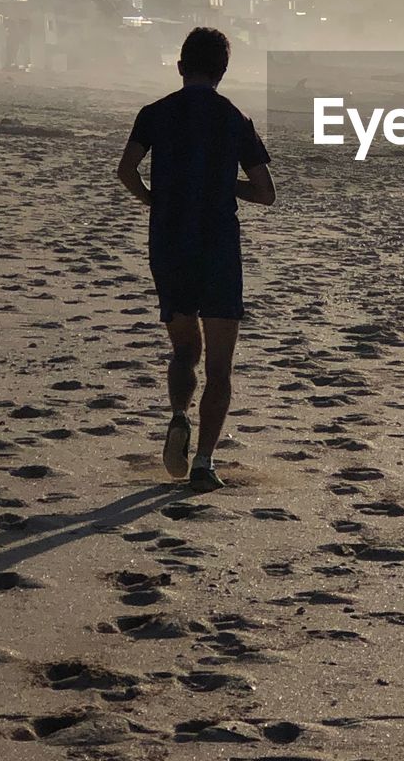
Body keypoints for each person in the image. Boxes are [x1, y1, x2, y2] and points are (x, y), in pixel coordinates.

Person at [117, 27, 275, 493]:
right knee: (220, 367)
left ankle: (178, 416)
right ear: (222, 72)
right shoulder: (234, 119)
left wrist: (153, 199)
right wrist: (225, 185)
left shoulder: (155, 113)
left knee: (185, 348)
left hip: (169, 243)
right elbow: (266, 194)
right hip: (219, 248)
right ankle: (204, 461)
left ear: (180, 66)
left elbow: (126, 171)